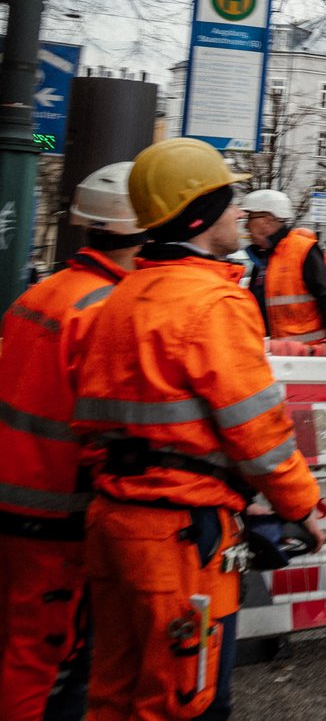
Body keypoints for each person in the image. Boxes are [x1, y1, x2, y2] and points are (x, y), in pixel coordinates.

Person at [69, 138, 322, 719]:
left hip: (112, 522)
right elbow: (257, 430)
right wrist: (302, 507)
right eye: (230, 201)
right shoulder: (214, 303)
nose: (239, 214)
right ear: (202, 212)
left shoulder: (121, 295)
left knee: (112, 695)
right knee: (182, 700)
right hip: (179, 536)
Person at [0, 163, 147, 721]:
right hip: (59, 512)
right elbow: (106, 423)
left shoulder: (41, 294)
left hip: (15, 498)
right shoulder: (105, 310)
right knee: (45, 659)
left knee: (17, 645)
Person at [241, 189, 326, 356]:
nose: (246, 225)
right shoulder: (262, 258)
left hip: (307, 357)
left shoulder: (303, 251)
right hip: (273, 355)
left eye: (250, 217)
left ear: (268, 220)